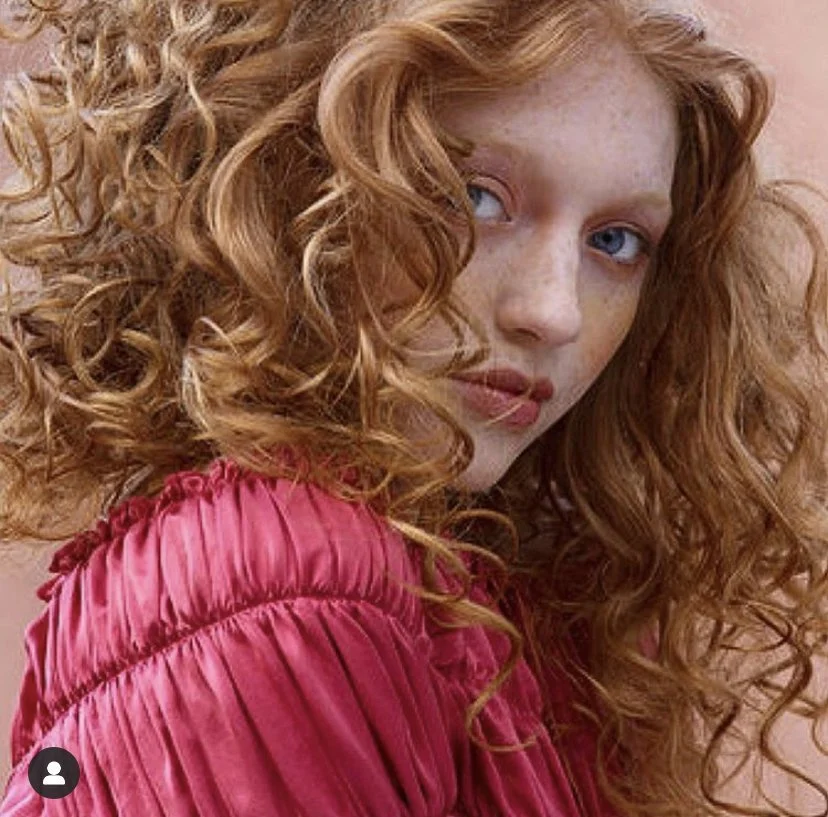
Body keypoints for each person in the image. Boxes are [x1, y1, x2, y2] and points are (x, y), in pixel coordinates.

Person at [0, 0, 826, 815]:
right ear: (285, 181)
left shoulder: (537, 613)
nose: (554, 310)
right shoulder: (281, 591)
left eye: (614, 241)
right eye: (475, 196)